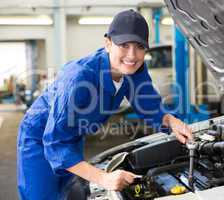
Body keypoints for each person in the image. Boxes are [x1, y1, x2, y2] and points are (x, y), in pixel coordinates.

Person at [17, 9, 193, 200]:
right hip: (39, 137)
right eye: (124, 45)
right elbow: (55, 143)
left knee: (66, 192)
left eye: (140, 46)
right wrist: (103, 178)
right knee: (42, 196)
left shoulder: (135, 69)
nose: (132, 55)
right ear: (108, 43)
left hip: (73, 133)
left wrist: (171, 120)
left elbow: (148, 103)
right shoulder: (78, 77)